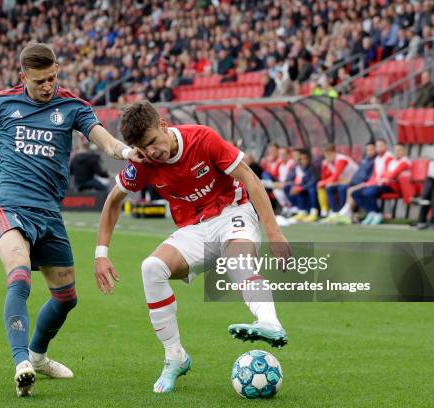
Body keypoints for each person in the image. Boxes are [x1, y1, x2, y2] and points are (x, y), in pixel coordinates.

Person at [0, 43, 143, 397]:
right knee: (19, 276)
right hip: (10, 208)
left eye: (53, 78)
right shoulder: (0, 103)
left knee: (66, 297)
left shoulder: (72, 106)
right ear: (23, 77)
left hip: (49, 213)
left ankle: (38, 356)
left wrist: (124, 151)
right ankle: (21, 364)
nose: (49, 86)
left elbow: (101, 138)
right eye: (41, 81)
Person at [94, 101, 291, 394]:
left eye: (152, 142)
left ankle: (270, 322)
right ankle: (175, 358)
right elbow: (113, 201)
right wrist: (101, 254)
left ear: (163, 124)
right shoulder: (144, 163)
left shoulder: (202, 138)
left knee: (238, 262)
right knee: (151, 268)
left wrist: (273, 232)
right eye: (143, 148)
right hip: (193, 229)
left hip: (232, 213)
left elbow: (250, 178)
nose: (151, 152)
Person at [352, 142, 409, 225]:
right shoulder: (393, 161)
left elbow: (391, 175)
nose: (397, 152)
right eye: (396, 150)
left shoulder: (404, 162)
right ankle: (372, 212)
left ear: (404, 151)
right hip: (382, 183)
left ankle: (377, 213)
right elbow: (383, 173)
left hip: (393, 187)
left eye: (399, 150)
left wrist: (386, 175)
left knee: (368, 192)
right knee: (356, 193)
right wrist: (385, 175)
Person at [330, 142, 376, 224]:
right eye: (367, 149)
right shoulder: (364, 160)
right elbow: (358, 174)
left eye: (371, 149)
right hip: (355, 182)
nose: (369, 151)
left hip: (366, 183)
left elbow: (370, 177)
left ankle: (345, 213)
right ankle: (342, 213)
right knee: (342, 187)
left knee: (351, 190)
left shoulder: (375, 161)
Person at [318, 144, 359, 216]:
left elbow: (335, 177)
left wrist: (322, 182)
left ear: (334, 152)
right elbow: (324, 178)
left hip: (355, 181)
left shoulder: (341, 159)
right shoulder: (329, 162)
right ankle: (334, 211)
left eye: (329, 154)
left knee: (342, 188)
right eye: (326, 154)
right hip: (343, 181)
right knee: (329, 187)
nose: (327, 156)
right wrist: (324, 166)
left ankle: (342, 211)